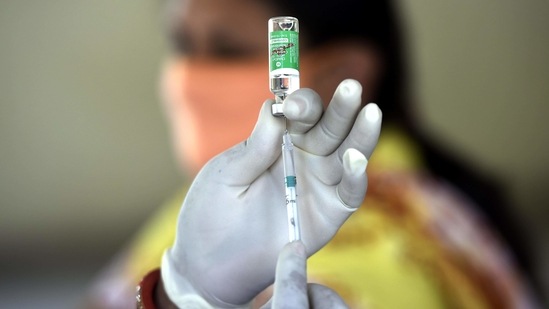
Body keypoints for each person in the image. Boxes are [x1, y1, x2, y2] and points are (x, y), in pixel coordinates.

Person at [85, 0, 543, 308]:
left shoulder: (386, 238)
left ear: (343, 71)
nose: (192, 75)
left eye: (228, 50)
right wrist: (176, 292)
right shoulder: (216, 200)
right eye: (183, 45)